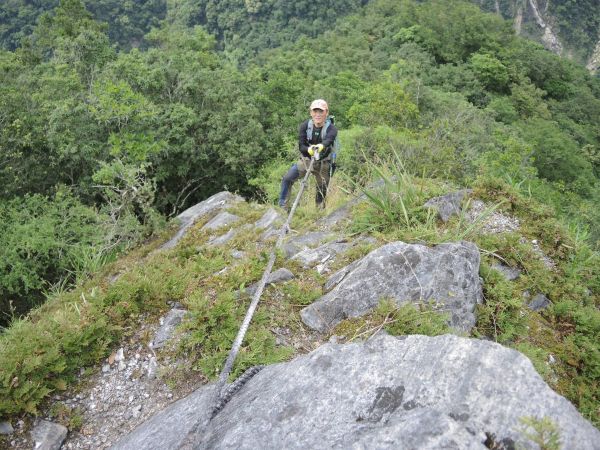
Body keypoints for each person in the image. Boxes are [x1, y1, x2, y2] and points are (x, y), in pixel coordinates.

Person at [278, 99, 338, 209]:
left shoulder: (331, 128)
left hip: (323, 163)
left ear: (326, 113)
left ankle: (318, 211)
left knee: (321, 189)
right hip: (306, 161)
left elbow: (329, 140)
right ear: (311, 113)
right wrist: (309, 150)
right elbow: (301, 145)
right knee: (287, 179)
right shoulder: (305, 126)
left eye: (321, 111)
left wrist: (321, 146)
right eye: (315, 111)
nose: (318, 114)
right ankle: (283, 207)